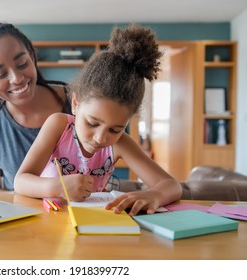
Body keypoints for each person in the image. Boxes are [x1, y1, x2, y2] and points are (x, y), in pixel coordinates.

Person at [14, 24, 182, 215]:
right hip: (48, 219)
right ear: (75, 103)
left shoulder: (121, 144)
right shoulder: (59, 125)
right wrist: (57, 187)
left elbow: (171, 185)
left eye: (115, 129)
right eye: (92, 123)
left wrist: (153, 196)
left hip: (92, 224)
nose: (101, 139)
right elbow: (20, 181)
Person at [0, 22, 70, 192]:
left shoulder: (78, 103)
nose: (16, 78)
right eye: (1, 74)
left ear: (31, 56)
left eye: (22, 64)